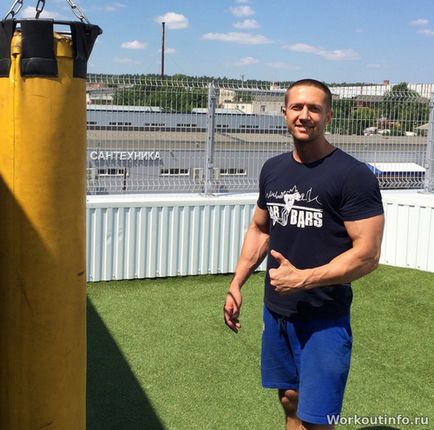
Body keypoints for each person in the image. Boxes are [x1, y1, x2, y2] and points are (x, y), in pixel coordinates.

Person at [223, 79, 384, 430]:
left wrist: (303, 279)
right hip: (278, 312)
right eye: (297, 107)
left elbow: (368, 255)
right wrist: (237, 282)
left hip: (323, 317)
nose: (304, 115)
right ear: (284, 113)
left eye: (314, 108)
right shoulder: (273, 169)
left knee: (316, 419)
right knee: (289, 400)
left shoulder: (353, 176)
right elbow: (261, 228)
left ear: (328, 116)